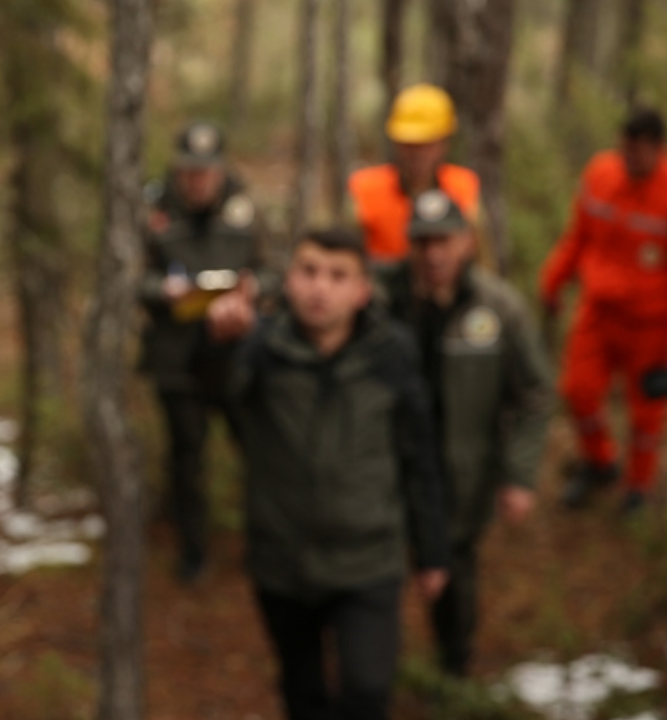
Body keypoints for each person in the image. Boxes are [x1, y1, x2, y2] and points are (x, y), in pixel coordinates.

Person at [225, 229, 449, 720]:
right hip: (282, 561)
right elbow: (215, 400)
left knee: (367, 691)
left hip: (368, 562)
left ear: (362, 291)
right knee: (301, 691)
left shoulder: (390, 354)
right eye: (308, 272)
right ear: (288, 281)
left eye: (337, 275)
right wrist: (217, 342)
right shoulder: (261, 352)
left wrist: (432, 550)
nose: (319, 288)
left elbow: (419, 456)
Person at [378, 190, 554, 677]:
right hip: (389, 466)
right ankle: (375, 672)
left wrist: (518, 475)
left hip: (463, 472)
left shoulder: (498, 308)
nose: (434, 253)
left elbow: (536, 392)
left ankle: (454, 668)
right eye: (423, 242)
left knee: (456, 571)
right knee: (380, 572)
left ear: (467, 242)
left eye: (445, 240)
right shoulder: (381, 301)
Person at [541, 108, 667, 513]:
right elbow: (577, 236)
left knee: (646, 415)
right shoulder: (601, 174)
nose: (629, 159)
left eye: (637, 152)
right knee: (578, 391)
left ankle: (638, 486)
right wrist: (553, 280)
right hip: (597, 312)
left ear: (658, 148)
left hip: (650, 327)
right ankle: (600, 461)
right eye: (624, 149)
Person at [138, 121, 277, 582]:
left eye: (206, 171)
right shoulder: (153, 209)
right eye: (189, 171)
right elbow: (131, 277)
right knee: (187, 462)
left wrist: (251, 291)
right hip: (177, 359)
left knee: (256, 453)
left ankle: (261, 546)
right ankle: (193, 555)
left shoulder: (246, 209)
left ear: (220, 171)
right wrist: (164, 291)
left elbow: (273, 271)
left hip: (236, 355)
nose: (198, 181)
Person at [349, 84, 481, 263]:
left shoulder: (464, 187)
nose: (417, 154)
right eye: (408, 144)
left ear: (445, 143)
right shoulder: (365, 189)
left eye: (427, 144)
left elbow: (480, 258)